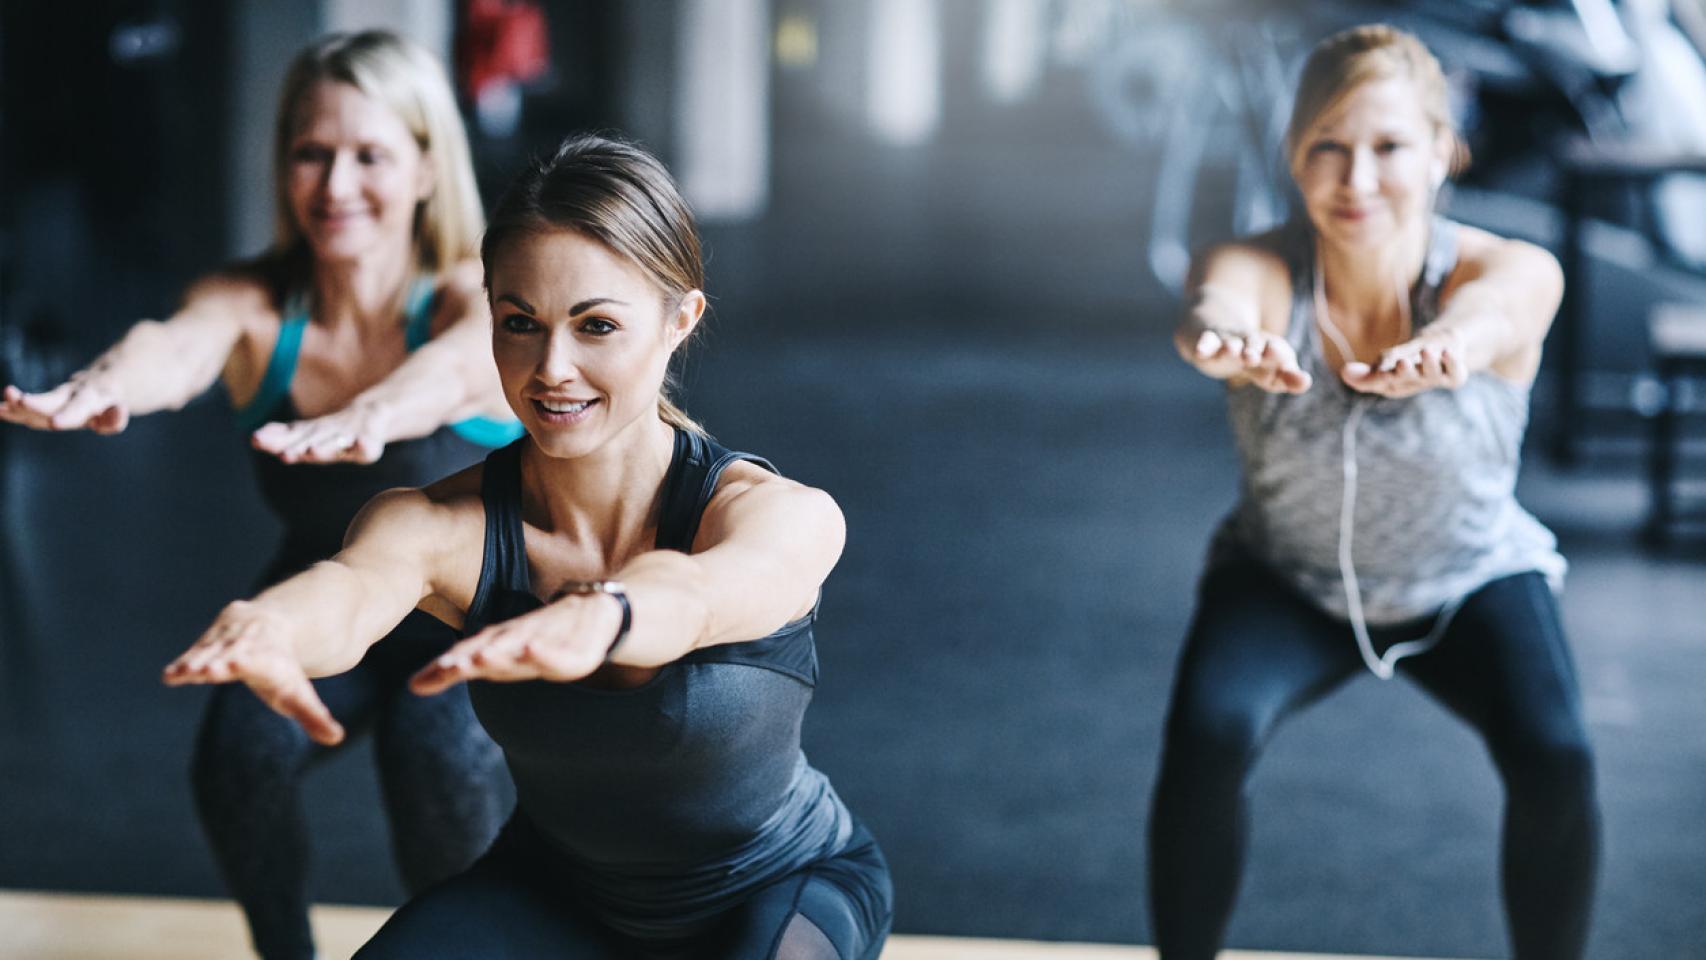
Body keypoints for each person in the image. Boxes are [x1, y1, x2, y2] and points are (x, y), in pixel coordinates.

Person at [164, 133, 895, 960]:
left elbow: (698, 597)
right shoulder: (447, 523)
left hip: (775, 890)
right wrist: (275, 627)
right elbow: (354, 587)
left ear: (678, 321)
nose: (551, 367)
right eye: (521, 323)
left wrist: (607, 614)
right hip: (555, 895)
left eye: (596, 326)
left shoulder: (777, 515)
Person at [1, 31, 516, 960]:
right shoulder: (254, 303)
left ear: (429, 168)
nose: (335, 185)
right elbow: (179, 342)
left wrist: (378, 410)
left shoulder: (465, 296)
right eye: (311, 153)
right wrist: (111, 382)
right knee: (238, 756)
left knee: (431, 762)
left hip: (470, 609)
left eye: (370, 155)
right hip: (324, 589)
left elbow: (454, 369)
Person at [1149, 24, 1598, 960]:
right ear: (1294, 156)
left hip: (1469, 577)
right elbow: (1212, 305)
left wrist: (1451, 348)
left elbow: (1498, 313)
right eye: (1329, 147)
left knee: (1558, 754)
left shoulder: (1502, 269)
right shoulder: (1265, 268)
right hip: (1288, 580)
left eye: (1390, 147)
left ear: (1444, 150)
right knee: (1208, 730)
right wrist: (1224, 341)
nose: (1357, 180)